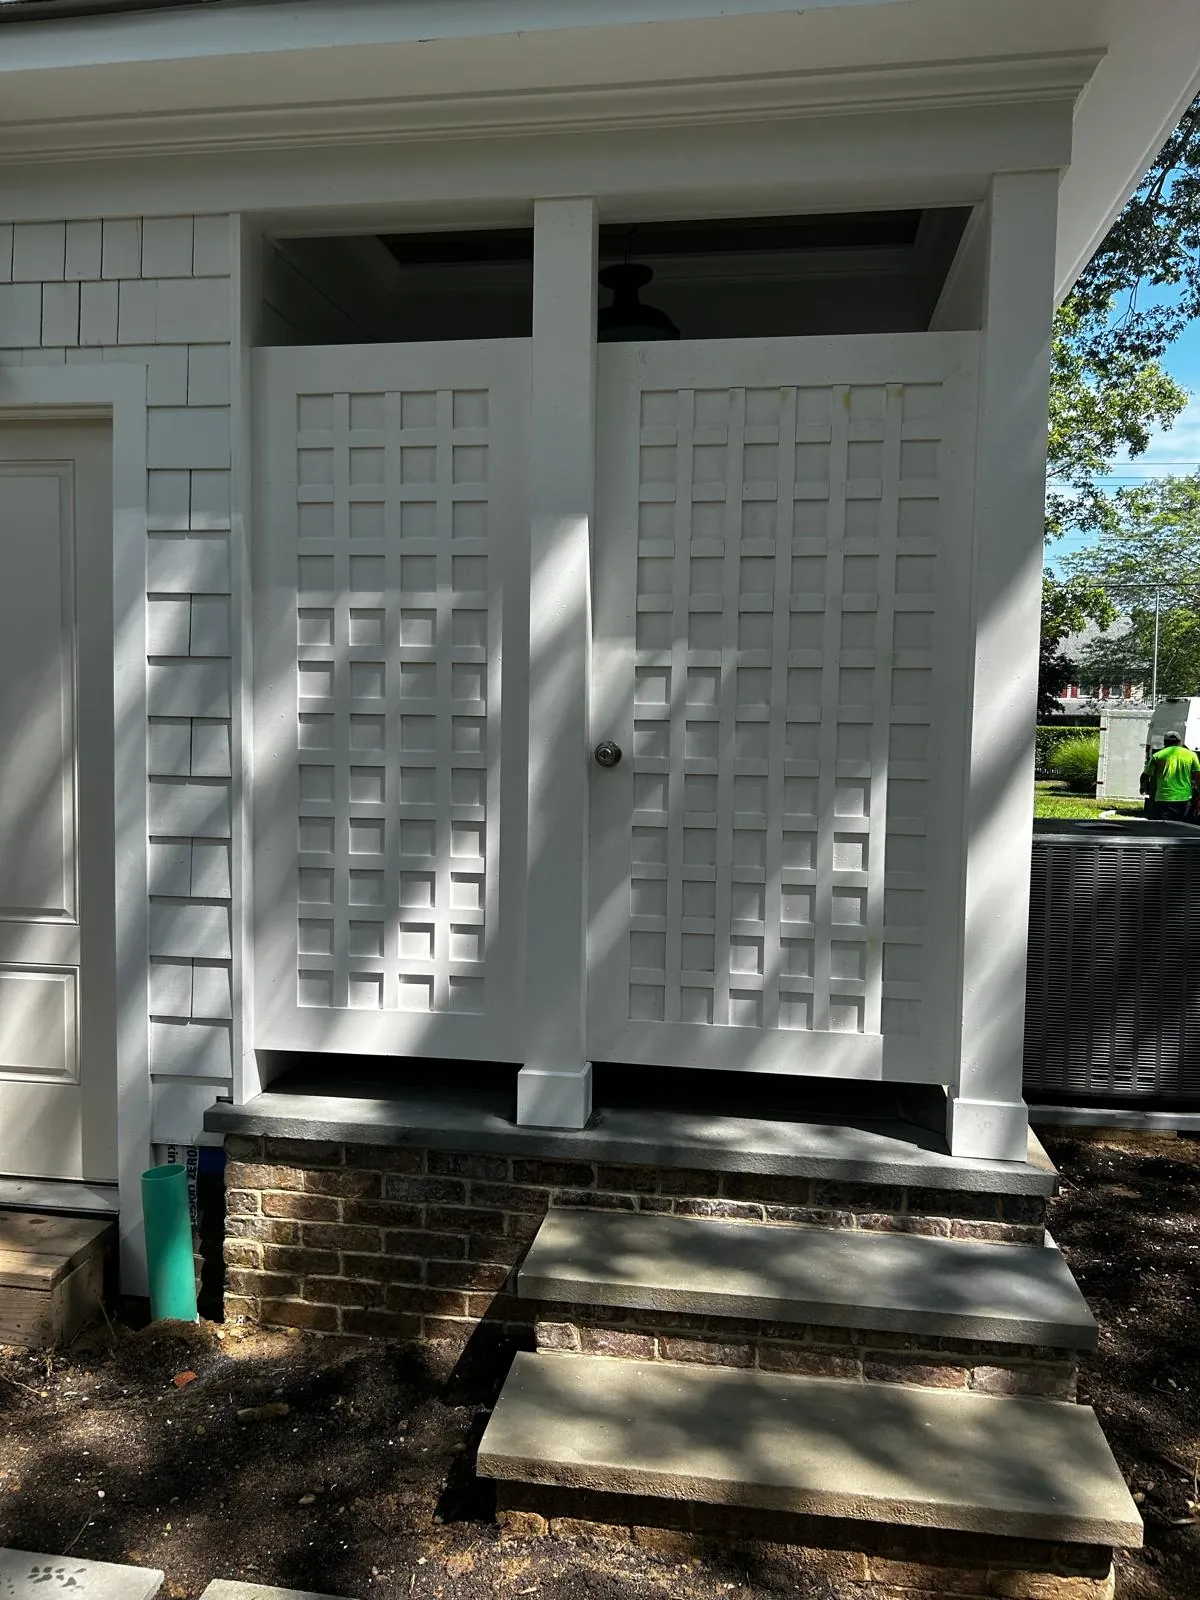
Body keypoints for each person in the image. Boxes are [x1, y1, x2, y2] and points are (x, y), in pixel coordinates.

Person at [1140, 731, 1200, 822]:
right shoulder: (1191, 755)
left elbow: (1145, 775)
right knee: (1182, 826)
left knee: (1164, 827)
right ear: (1179, 742)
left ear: (1165, 742)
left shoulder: (1158, 755)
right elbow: (1197, 777)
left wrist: (1143, 787)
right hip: (1184, 798)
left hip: (1163, 798)